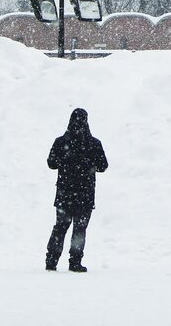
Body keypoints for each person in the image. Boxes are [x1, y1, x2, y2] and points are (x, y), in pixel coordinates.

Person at [44, 108, 109, 272]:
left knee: (60, 227)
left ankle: (51, 261)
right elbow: (103, 166)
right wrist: (88, 167)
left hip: (65, 193)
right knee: (79, 229)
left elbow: (51, 164)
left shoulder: (61, 142)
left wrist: (66, 162)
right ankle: (75, 262)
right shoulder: (94, 143)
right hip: (85, 194)